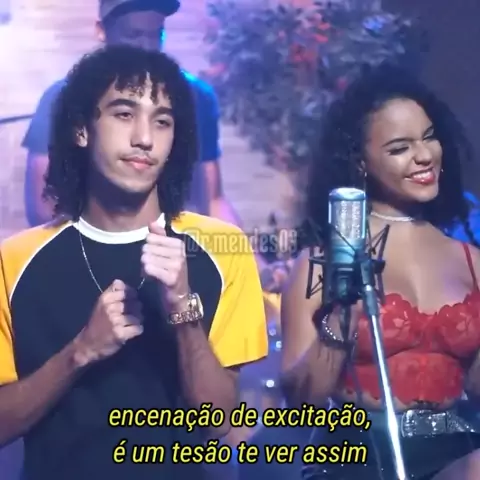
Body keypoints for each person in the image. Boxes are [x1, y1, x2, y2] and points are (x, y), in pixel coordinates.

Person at [0, 45, 267, 480]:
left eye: (162, 121)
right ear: (81, 130)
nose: (144, 137)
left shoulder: (221, 248)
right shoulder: (15, 260)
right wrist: (81, 352)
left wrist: (183, 309)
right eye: (124, 114)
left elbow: (220, 424)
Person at [280, 63, 480, 480]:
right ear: (361, 163)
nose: (424, 156)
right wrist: (342, 318)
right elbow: (301, 402)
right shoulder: (321, 262)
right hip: (359, 456)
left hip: (457, 453)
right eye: (399, 147)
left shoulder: (471, 261)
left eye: (429, 137)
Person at [22, 0, 242, 229]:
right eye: (133, 35)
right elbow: (44, 206)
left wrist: (240, 247)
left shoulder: (196, 97)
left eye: (155, 34)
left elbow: (212, 199)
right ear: (102, 31)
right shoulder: (63, 97)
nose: (145, 47)